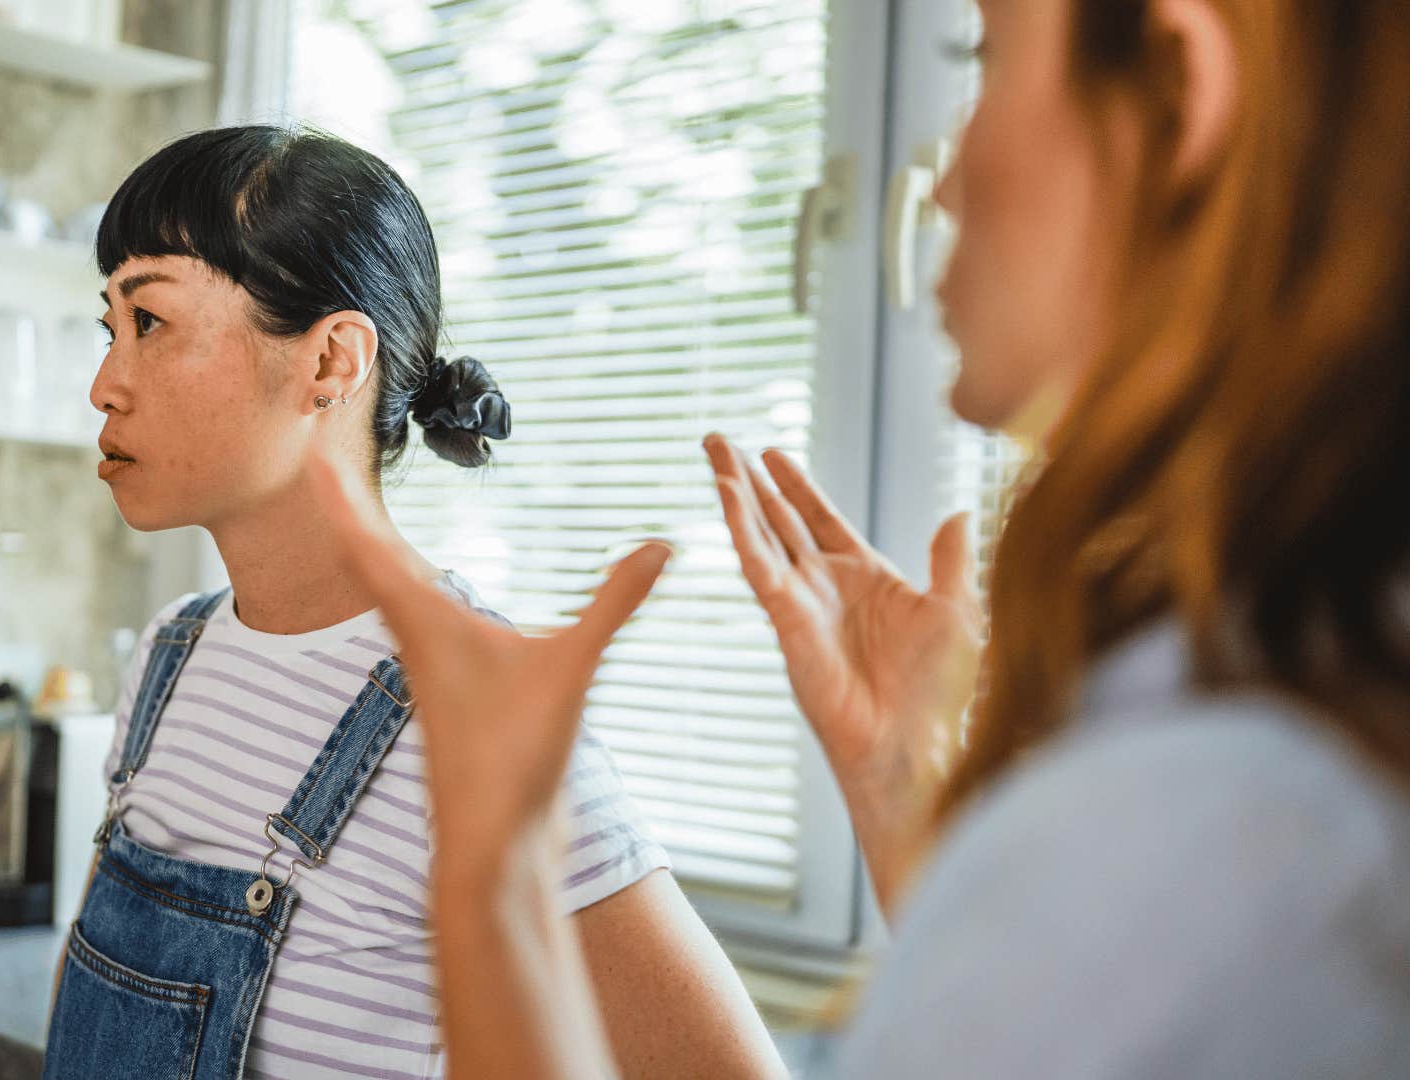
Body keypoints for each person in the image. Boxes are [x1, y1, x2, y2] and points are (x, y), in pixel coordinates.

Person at [307, 0, 1410, 1076]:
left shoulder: (1221, 824)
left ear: (1176, 87)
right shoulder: (1274, 743)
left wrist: (493, 865)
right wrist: (902, 794)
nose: (936, 180)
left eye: (986, 56)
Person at [40, 126, 785, 1080]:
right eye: (111, 328)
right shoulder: (170, 655)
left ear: (331, 361)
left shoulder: (469, 709)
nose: (105, 384)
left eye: (151, 323)